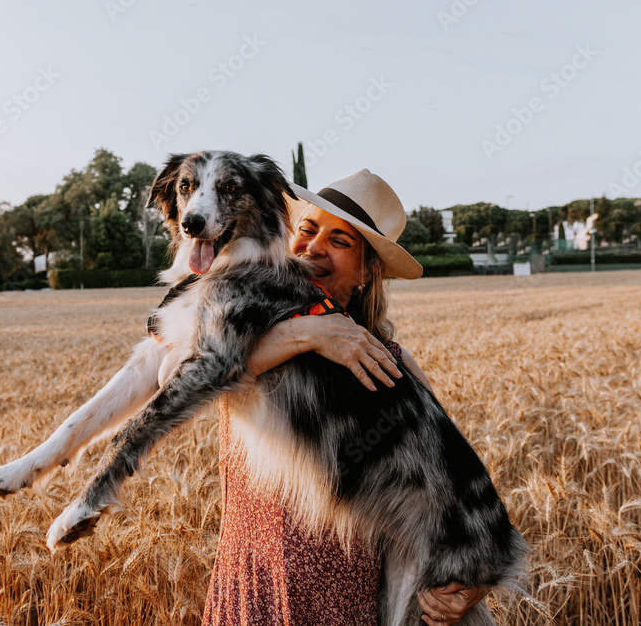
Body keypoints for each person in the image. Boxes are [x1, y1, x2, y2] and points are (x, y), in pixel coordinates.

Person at [201, 170, 490, 626]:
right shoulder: (243, 334)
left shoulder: (389, 364)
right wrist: (310, 333)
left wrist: (471, 582)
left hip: (348, 605)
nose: (314, 248)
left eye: (339, 241)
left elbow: (453, 488)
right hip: (252, 596)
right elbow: (189, 369)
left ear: (367, 270)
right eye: (307, 230)